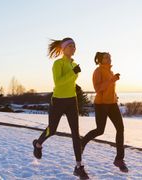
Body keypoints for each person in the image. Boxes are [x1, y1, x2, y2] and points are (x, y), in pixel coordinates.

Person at [32, 37, 89, 179]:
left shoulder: (73, 64)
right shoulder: (58, 63)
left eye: (74, 46)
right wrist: (73, 73)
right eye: (70, 46)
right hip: (58, 101)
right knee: (52, 130)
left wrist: (75, 86)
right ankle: (38, 144)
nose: (73, 48)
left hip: (71, 101)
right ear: (63, 49)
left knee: (75, 134)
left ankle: (79, 166)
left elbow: (68, 82)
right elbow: (58, 82)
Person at [80, 52, 128, 172]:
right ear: (101, 59)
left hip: (112, 104)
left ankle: (119, 159)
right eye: (107, 57)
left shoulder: (110, 71)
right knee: (100, 130)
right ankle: (82, 143)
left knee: (120, 128)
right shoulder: (98, 71)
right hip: (101, 104)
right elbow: (98, 88)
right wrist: (112, 80)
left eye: (110, 57)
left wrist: (115, 96)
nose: (109, 59)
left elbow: (109, 88)